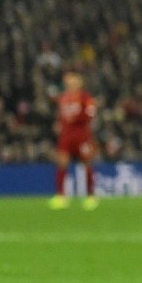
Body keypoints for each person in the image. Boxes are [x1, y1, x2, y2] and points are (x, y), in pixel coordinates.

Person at [49, 69, 100, 211]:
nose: (70, 82)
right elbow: (62, 117)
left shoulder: (86, 98)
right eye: (68, 79)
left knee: (87, 164)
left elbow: (90, 115)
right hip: (66, 136)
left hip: (82, 135)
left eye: (73, 79)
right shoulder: (64, 98)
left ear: (79, 82)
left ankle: (90, 196)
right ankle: (61, 197)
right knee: (62, 163)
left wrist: (76, 118)